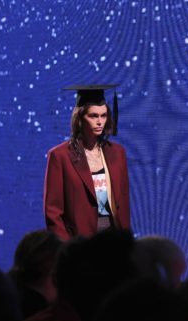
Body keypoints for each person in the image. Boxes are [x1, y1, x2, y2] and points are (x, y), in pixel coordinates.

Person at [43, 85, 130, 241]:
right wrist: (67, 248)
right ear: (80, 118)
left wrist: (127, 243)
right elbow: (53, 212)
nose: (99, 122)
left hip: (113, 241)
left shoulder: (117, 153)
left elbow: (123, 204)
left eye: (103, 116)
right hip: (80, 244)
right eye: (93, 116)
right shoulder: (60, 156)